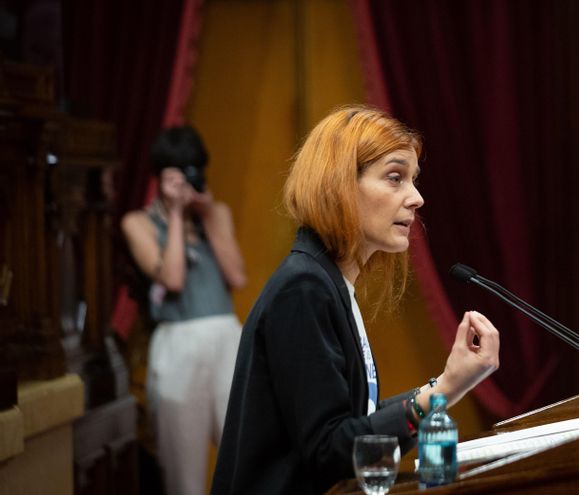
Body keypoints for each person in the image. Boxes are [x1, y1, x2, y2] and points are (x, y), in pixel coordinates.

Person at [211, 105, 501, 494]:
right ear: (340, 185)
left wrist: (440, 389)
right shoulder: (304, 288)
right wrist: (443, 390)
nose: (416, 198)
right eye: (395, 177)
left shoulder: (325, 280)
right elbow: (330, 449)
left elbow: (354, 423)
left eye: (413, 180)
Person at [121, 126, 247, 495]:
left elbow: (237, 276)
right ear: (158, 177)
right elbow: (172, 278)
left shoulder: (215, 214)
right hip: (177, 345)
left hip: (227, 340)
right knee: (183, 475)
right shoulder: (139, 223)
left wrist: (206, 215)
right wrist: (175, 216)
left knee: (242, 455)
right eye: (175, 175)